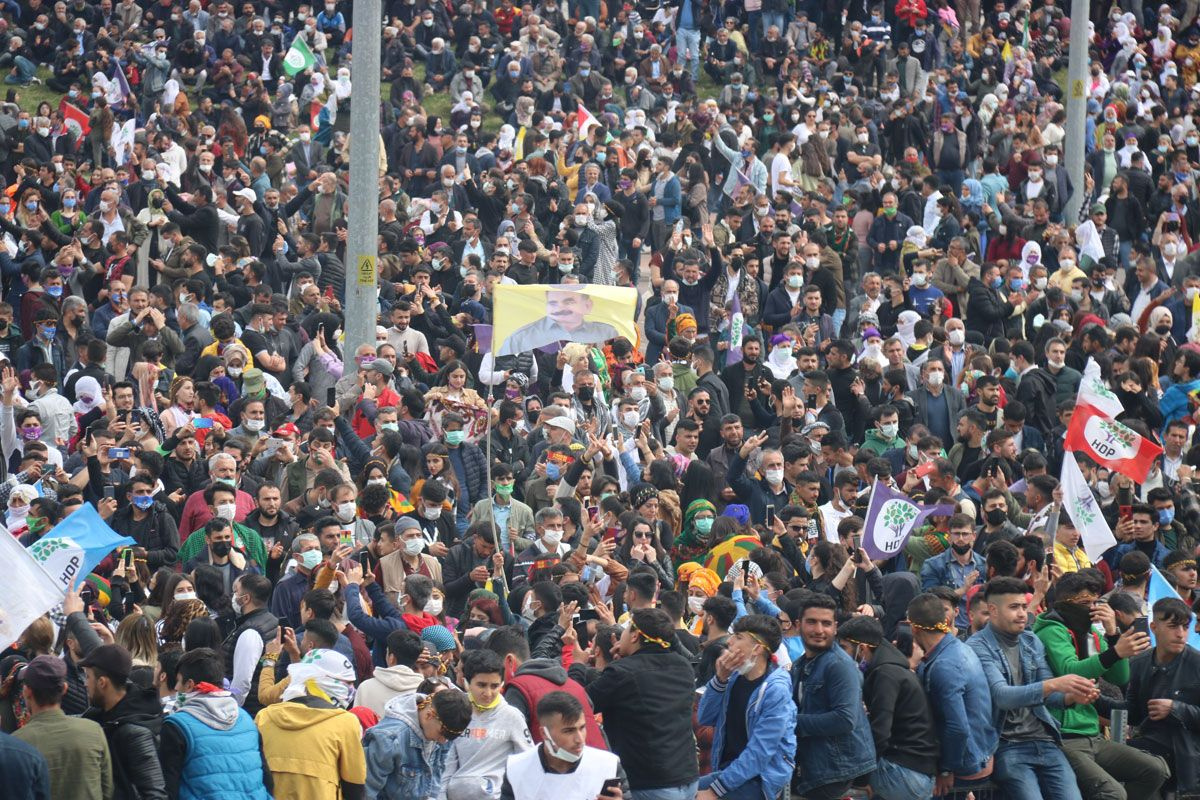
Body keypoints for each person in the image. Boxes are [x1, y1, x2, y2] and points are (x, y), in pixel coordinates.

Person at [1031, 570, 1169, 799]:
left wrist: (1113, 634)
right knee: (1112, 792)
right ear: (1064, 601)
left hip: (1092, 733)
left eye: (1096, 601)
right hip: (1062, 736)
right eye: (1085, 602)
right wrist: (1115, 652)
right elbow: (1070, 670)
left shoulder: (1092, 632)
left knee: (1155, 770)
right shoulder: (1051, 630)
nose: (1092, 608)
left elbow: (1119, 677)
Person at [967, 577, 1101, 800]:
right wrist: (1054, 684)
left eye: (1023, 606)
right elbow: (1002, 696)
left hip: (1045, 740)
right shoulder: (977, 646)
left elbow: (1050, 697)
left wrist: (1072, 696)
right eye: (1014, 607)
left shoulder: (1031, 641)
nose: (1022, 613)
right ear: (993, 610)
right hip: (1007, 745)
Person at [586, 608, 699, 800]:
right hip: (687, 778)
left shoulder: (621, 673)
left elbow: (584, 703)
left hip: (649, 783)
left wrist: (579, 666)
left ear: (635, 636)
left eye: (627, 627)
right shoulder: (683, 666)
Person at [835, 615, 937, 800]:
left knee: (830, 779)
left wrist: (862, 779)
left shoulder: (886, 675)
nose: (840, 654)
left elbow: (880, 734)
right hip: (916, 773)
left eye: (844, 648)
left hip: (905, 774)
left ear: (862, 648)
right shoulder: (891, 669)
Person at [908, 592, 998, 796]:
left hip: (966, 765)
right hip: (980, 752)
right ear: (946, 621)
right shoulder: (956, 648)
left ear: (913, 628)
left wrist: (946, 769)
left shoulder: (944, 666)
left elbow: (957, 728)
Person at [788, 594, 875, 800]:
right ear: (798, 624)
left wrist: (789, 722)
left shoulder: (838, 665)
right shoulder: (801, 664)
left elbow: (844, 719)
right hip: (813, 765)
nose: (819, 630)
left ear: (835, 627)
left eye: (826, 623)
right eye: (812, 622)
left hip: (833, 771)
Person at [159, 648, 273, 799]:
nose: (176, 688)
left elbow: (168, 788)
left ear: (189, 685)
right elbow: (267, 781)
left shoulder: (177, 726)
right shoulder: (247, 720)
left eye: (179, 681)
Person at [256, 648, 367, 799]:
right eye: (347, 683)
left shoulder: (264, 717)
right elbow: (355, 784)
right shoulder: (346, 723)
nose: (351, 690)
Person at [13, 655, 112, 800]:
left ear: (27, 691)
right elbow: (107, 791)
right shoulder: (93, 731)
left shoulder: (17, 743)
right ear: (64, 688)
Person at [441, 649, 533, 800]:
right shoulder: (456, 711)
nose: (488, 692)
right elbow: (446, 763)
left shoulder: (512, 716)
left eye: (494, 686)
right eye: (481, 685)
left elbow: (527, 761)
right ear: (466, 682)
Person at [500, 691, 626, 800]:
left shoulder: (608, 765)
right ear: (544, 733)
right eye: (568, 731)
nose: (579, 739)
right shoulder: (517, 768)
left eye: (582, 728)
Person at [80, 644, 167, 800]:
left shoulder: (135, 733)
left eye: (88, 677)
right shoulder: (97, 717)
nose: (85, 684)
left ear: (102, 682)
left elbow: (155, 794)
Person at [364, 688, 473, 800]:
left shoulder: (443, 731)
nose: (443, 741)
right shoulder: (389, 739)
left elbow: (435, 780)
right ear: (429, 715)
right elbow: (366, 791)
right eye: (442, 734)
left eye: (450, 738)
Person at [496, 288, 619, 356]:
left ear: (587, 306)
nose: (560, 309)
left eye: (568, 302)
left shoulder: (602, 331)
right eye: (553, 303)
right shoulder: (520, 337)